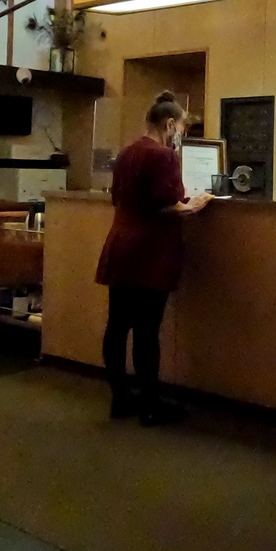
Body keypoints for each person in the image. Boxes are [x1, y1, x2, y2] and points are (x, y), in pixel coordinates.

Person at [95, 91, 213, 425]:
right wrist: (194, 205)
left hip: (121, 245)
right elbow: (167, 203)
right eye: (181, 128)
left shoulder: (127, 152)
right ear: (170, 124)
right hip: (150, 251)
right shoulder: (162, 156)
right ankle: (150, 403)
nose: (181, 135)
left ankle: (120, 398)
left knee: (118, 326)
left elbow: (119, 197)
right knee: (147, 329)